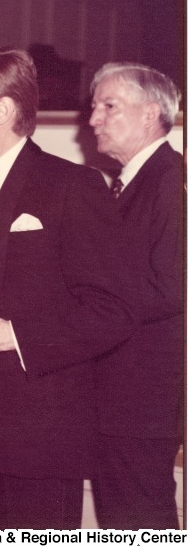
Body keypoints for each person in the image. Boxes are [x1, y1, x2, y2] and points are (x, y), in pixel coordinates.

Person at [0, 47, 135, 529]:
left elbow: (115, 311)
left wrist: (12, 335)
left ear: (0, 110)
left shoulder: (73, 186)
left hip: (36, 441)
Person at [87, 62, 184, 529]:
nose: (93, 120)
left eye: (108, 106)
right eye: (93, 107)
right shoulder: (132, 181)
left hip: (141, 398)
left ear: (151, 114)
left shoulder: (169, 180)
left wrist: (84, 310)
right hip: (121, 396)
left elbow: (171, 288)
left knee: (140, 521)